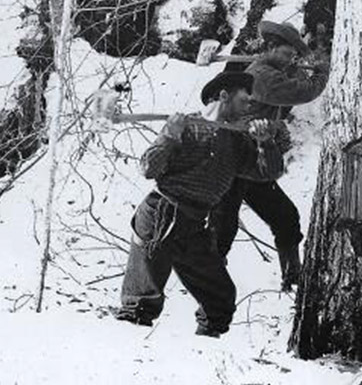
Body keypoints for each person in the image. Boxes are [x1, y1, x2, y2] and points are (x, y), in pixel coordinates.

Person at [114, 71, 285, 337]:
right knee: (141, 302)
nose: (248, 107)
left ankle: (206, 353)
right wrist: (170, 136)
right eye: (244, 100)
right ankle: (128, 353)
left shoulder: (237, 141)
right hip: (162, 214)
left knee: (220, 298)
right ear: (224, 96)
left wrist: (265, 144)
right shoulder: (186, 127)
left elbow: (267, 173)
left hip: (193, 224)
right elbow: (148, 168)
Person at [210, 20, 330, 291]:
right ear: (271, 47)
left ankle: (293, 279)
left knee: (285, 217)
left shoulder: (271, 72)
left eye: (293, 56)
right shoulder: (262, 75)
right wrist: (322, 73)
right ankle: (208, 288)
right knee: (222, 230)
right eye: (286, 54)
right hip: (233, 160)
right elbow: (303, 91)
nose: (290, 60)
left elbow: (293, 82)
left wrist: (303, 69)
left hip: (254, 163)